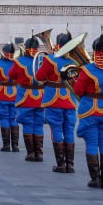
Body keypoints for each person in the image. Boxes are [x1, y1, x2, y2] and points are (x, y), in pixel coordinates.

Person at [72, 33, 103, 189]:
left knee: (91, 144)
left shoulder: (87, 70)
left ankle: (95, 178)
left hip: (90, 110)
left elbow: (78, 90)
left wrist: (75, 79)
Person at [36, 31, 78, 174]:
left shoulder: (50, 60)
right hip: (70, 99)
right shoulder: (76, 61)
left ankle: (61, 164)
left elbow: (39, 76)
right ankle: (70, 165)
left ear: (58, 44)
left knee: (56, 129)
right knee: (69, 130)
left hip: (54, 98)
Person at [9, 36, 49, 164]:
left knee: (28, 124)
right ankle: (39, 153)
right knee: (39, 124)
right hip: (41, 97)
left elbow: (12, 75)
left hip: (26, 97)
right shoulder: (44, 59)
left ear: (26, 48)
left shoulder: (19, 61)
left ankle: (31, 153)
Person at [0, 42, 21, 153]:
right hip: (15, 93)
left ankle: (6, 145)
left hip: (1, 93)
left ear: (4, 52)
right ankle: (15, 146)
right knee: (13, 118)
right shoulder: (18, 63)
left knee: (4, 118)